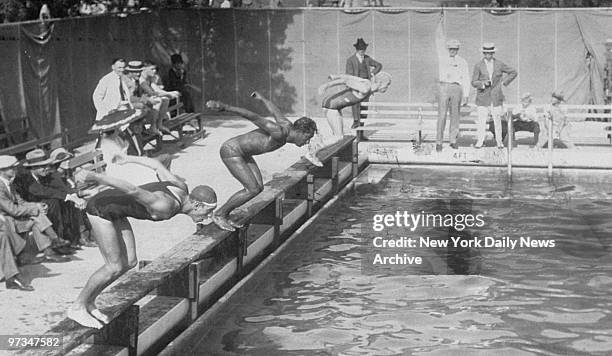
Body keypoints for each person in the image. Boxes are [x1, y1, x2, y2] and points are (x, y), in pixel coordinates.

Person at [67, 154, 218, 329]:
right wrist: (96, 177)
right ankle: (77, 307)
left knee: (130, 262)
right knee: (113, 266)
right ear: (197, 205)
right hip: (100, 209)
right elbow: (133, 190)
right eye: (207, 212)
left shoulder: (182, 188)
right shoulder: (166, 206)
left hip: (116, 211)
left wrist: (127, 158)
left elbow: (156, 164)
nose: (207, 217)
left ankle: (90, 303)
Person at [206, 92, 317, 231]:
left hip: (244, 154)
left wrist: (262, 99)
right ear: (301, 132)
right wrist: (224, 107)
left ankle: (225, 214)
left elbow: (275, 110)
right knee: (252, 189)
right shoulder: (279, 132)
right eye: (308, 138)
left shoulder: (287, 125)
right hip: (231, 151)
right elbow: (252, 116)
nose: (307, 142)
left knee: (258, 188)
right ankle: (220, 215)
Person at [305, 72, 391, 166]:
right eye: (387, 85)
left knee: (340, 134)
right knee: (339, 137)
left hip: (334, 106)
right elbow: (346, 81)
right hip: (331, 107)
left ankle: (317, 143)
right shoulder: (365, 88)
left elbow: (349, 77)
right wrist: (326, 85)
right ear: (380, 83)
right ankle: (312, 152)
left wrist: (335, 76)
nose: (387, 88)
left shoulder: (367, 83)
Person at [0, 155, 70, 263]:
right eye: (11, 168)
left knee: (37, 216)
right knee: (36, 216)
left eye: (14, 167)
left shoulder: (8, 183)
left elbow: (21, 202)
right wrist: (34, 209)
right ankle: (55, 241)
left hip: (14, 218)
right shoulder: (1, 187)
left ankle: (50, 249)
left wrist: (36, 205)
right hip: (6, 222)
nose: (15, 170)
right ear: (2, 170)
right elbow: (12, 209)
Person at [14, 149, 86, 249]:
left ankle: (72, 238)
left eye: (47, 165)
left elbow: (58, 188)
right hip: (24, 206)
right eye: (42, 166)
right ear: (32, 168)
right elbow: (40, 191)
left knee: (64, 201)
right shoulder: (25, 178)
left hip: (40, 202)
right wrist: (68, 196)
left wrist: (73, 196)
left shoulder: (44, 174)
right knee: (53, 203)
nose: (46, 168)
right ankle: (57, 241)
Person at [471, 42, 517, 148]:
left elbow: (513, 72)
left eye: (490, 53)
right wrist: (482, 84)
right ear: (483, 53)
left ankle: (499, 142)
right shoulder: (478, 65)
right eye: (486, 53)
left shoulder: (499, 64)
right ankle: (480, 141)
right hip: (482, 98)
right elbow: (473, 82)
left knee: (497, 120)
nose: (488, 55)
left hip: (496, 97)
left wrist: (504, 82)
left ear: (493, 53)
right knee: (481, 121)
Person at [436, 39, 470, 152]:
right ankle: (439, 142)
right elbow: (438, 42)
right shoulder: (442, 59)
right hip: (444, 87)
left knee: (455, 116)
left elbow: (466, 77)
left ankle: (453, 140)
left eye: (455, 49)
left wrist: (466, 94)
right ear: (448, 49)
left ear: (458, 50)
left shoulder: (462, 61)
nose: (452, 51)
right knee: (442, 115)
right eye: (451, 49)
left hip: (457, 88)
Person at [345, 38, 382, 129]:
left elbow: (379, 65)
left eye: (364, 49)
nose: (362, 51)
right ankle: (356, 121)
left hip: (366, 86)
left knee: (364, 106)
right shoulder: (351, 60)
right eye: (360, 49)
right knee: (356, 104)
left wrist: (373, 73)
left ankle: (362, 128)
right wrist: (353, 85)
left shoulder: (367, 59)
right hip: (356, 86)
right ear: (357, 49)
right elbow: (349, 75)